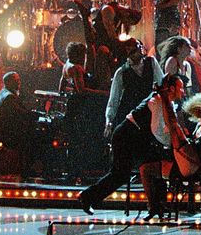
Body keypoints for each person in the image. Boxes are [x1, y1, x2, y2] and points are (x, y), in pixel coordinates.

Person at [79, 74, 189, 219]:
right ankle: (87, 197)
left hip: (137, 138)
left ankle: (156, 205)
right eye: (181, 88)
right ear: (172, 88)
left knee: (154, 165)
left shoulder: (167, 103)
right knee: (120, 174)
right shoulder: (156, 101)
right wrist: (174, 143)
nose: (183, 92)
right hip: (126, 136)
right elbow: (157, 130)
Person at [60, 41, 108, 182]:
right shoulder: (76, 69)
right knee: (79, 140)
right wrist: (102, 93)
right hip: (78, 108)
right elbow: (81, 90)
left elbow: (61, 87)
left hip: (70, 107)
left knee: (73, 140)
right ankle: (78, 172)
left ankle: (72, 171)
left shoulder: (66, 66)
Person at [104, 40, 164, 137]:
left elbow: (162, 84)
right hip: (129, 115)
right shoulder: (121, 73)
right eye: (135, 50)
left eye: (139, 47)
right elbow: (113, 100)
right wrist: (109, 120)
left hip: (148, 113)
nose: (140, 51)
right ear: (128, 53)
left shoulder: (151, 63)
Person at [0, 71, 39, 180]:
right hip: (9, 134)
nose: (19, 83)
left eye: (19, 80)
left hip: (5, 131)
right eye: (16, 81)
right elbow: (21, 114)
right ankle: (28, 169)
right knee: (37, 138)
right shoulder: (10, 97)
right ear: (8, 82)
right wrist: (36, 115)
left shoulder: (3, 93)